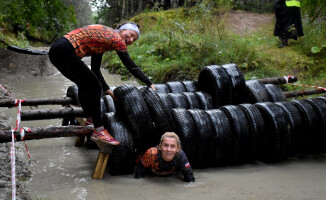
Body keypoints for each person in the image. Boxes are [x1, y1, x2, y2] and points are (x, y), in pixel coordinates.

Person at [49, 22, 156, 145]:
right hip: (64, 49)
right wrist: (148, 82)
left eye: (134, 38)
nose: (131, 39)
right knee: (94, 85)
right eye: (130, 34)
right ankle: (99, 130)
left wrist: (107, 90)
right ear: (121, 30)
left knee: (84, 84)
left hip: (56, 52)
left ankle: (89, 119)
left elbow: (95, 69)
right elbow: (130, 65)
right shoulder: (115, 37)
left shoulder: (102, 40)